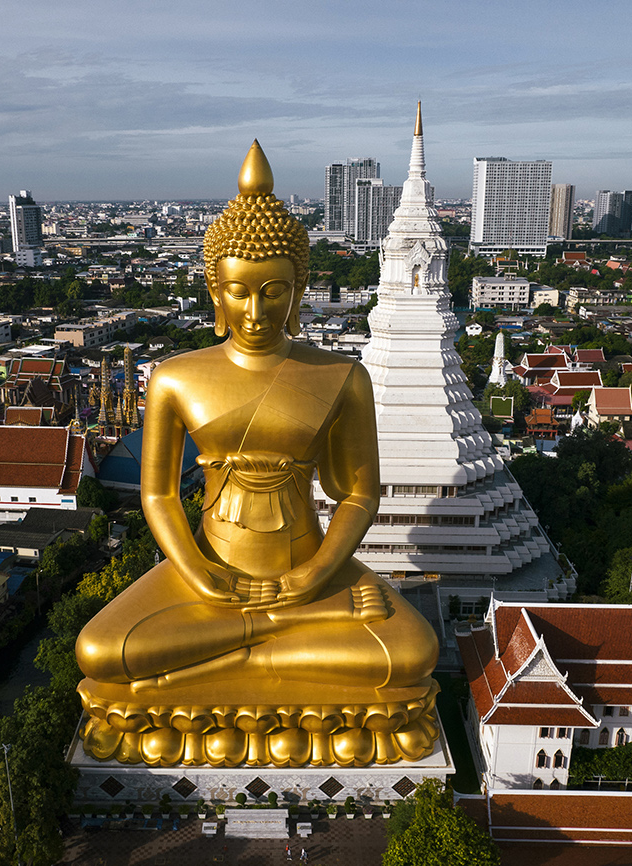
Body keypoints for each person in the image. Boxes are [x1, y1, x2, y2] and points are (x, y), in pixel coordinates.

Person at [76, 141, 439, 768]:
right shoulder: (175, 378)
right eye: (239, 291)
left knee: (412, 652)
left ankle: (226, 652)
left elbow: (359, 494)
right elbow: (158, 494)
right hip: (209, 570)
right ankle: (273, 635)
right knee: (101, 651)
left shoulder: (342, 376)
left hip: (310, 566)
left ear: (298, 289)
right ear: (216, 289)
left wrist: (315, 577)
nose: (255, 310)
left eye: (273, 291)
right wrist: (196, 571)